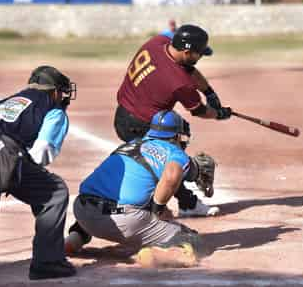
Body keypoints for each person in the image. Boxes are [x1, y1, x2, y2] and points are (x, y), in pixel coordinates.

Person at [0, 66, 77, 280]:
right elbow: (42, 150)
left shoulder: (6, 101)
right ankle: (48, 262)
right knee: (55, 193)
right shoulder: (52, 108)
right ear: (54, 91)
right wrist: (27, 172)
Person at [65, 110, 216, 267]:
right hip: (122, 220)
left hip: (82, 210)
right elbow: (171, 177)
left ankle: (73, 239)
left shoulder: (130, 145)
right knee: (193, 241)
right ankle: (158, 255)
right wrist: (158, 209)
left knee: (103, 200)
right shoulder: (174, 152)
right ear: (177, 136)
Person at [113, 24, 231, 218]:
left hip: (123, 112)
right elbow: (199, 110)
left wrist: (209, 92)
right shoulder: (179, 82)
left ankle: (165, 200)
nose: (200, 57)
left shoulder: (157, 42)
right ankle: (188, 204)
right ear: (186, 51)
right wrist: (219, 114)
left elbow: (189, 69)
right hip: (140, 124)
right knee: (170, 159)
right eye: (199, 54)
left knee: (164, 149)